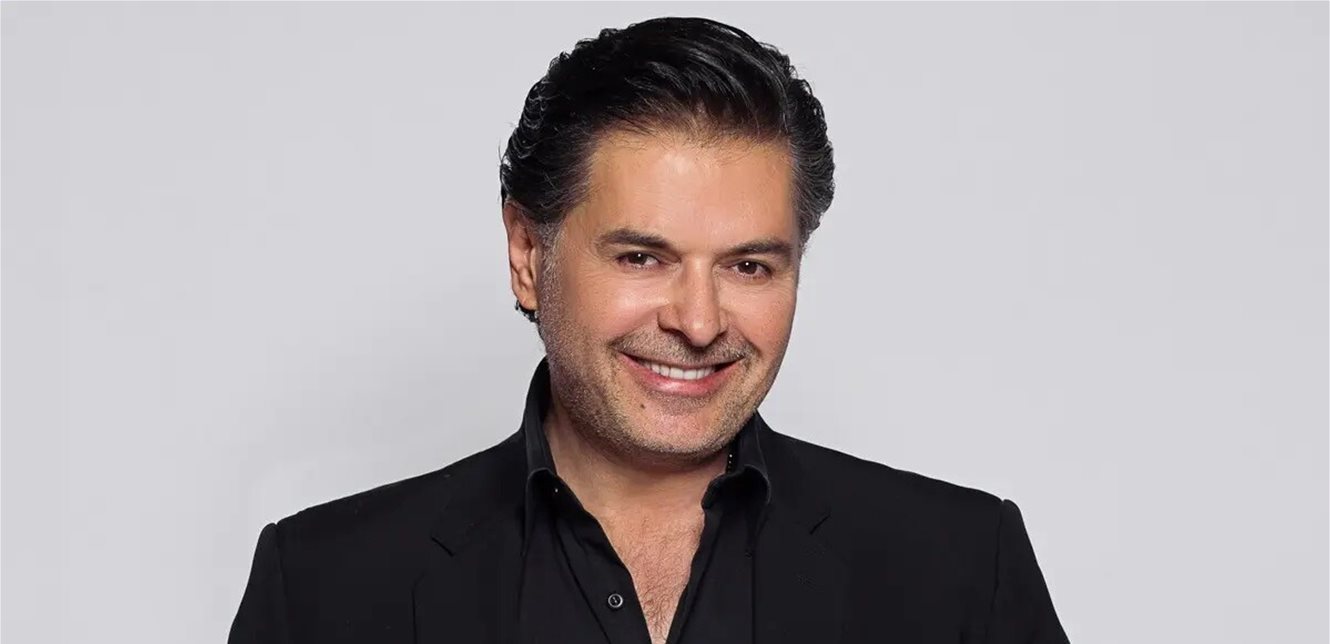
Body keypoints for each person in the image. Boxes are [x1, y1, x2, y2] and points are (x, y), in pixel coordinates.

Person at [229, 16, 1069, 644]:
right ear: (528, 254)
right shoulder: (323, 591)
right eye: (641, 257)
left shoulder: (964, 571)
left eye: (749, 266)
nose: (699, 323)